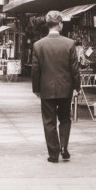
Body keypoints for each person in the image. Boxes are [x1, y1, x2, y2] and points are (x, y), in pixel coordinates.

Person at [31, 10, 80, 163]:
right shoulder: (69, 44)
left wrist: (36, 89)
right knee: (65, 118)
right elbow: (74, 69)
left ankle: (53, 154)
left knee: (49, 121)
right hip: (66, 88)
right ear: (60, 24)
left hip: (46, 89)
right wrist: (77, 87)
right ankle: (64, 147)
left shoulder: (38, 45)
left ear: (47, 25)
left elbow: (35, 69)